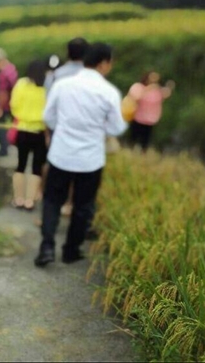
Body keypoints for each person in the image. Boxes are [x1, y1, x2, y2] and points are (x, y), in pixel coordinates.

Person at [34, 42, 127, 267]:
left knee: (52, 202)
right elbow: (116, 129)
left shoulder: (63, 85)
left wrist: (65, 129)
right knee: (83, 206)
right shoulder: (109, 92)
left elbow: (49, 117)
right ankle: (71, 250)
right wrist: (97, 128)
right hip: (90, 159)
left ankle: (47, 247)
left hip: (61, 154)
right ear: (104, 63)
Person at [45, 38, 90, 217]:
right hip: (83, 129)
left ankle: (51, 209)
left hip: (60, 128)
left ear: (68, 52)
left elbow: (48, 106)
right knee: (78, 168)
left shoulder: (56, 75)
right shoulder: (91, 76)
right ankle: (70, 204)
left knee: (55, 168)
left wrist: (49, 131)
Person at [9, 59, 48, 211]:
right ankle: (30, 201)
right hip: (39, 130)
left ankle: (18, 198)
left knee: (21, 164)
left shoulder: (21, 84)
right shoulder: (45, 87)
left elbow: (14, 105)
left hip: (22, 128)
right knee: (36, 167)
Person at [127, 71, 175, 152]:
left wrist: (169, 86)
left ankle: (142, 156)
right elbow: (135, 97)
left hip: (150, 120)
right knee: (133, 140)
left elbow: (167, 93)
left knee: (145, 143)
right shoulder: (139, 87)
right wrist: (148, 89)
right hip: (138, 118)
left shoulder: (158, 91)